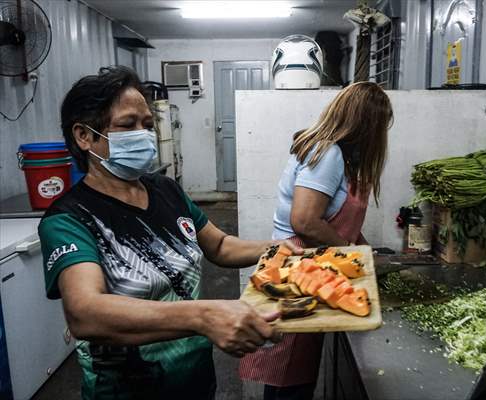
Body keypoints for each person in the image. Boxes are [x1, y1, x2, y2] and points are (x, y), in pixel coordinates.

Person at [37, 66, 300, 400]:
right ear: (84, 136)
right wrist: (204, 315)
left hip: (196, 377)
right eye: (127, 124)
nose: (144, 134)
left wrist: (277, 248)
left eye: (148, 124)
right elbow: (85, 313)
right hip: (128, 388)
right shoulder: (69, 218)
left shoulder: (165, 190)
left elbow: (218, 244)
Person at [239, 81, 393, 399]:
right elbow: (305, 220)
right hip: (298, 268)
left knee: (299, 372)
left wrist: (364, 253)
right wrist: (351, 253)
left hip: (314, 265)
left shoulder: (338, 154)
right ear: (366, 125)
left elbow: (339, 221)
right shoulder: (329, 155)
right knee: (289, 378)